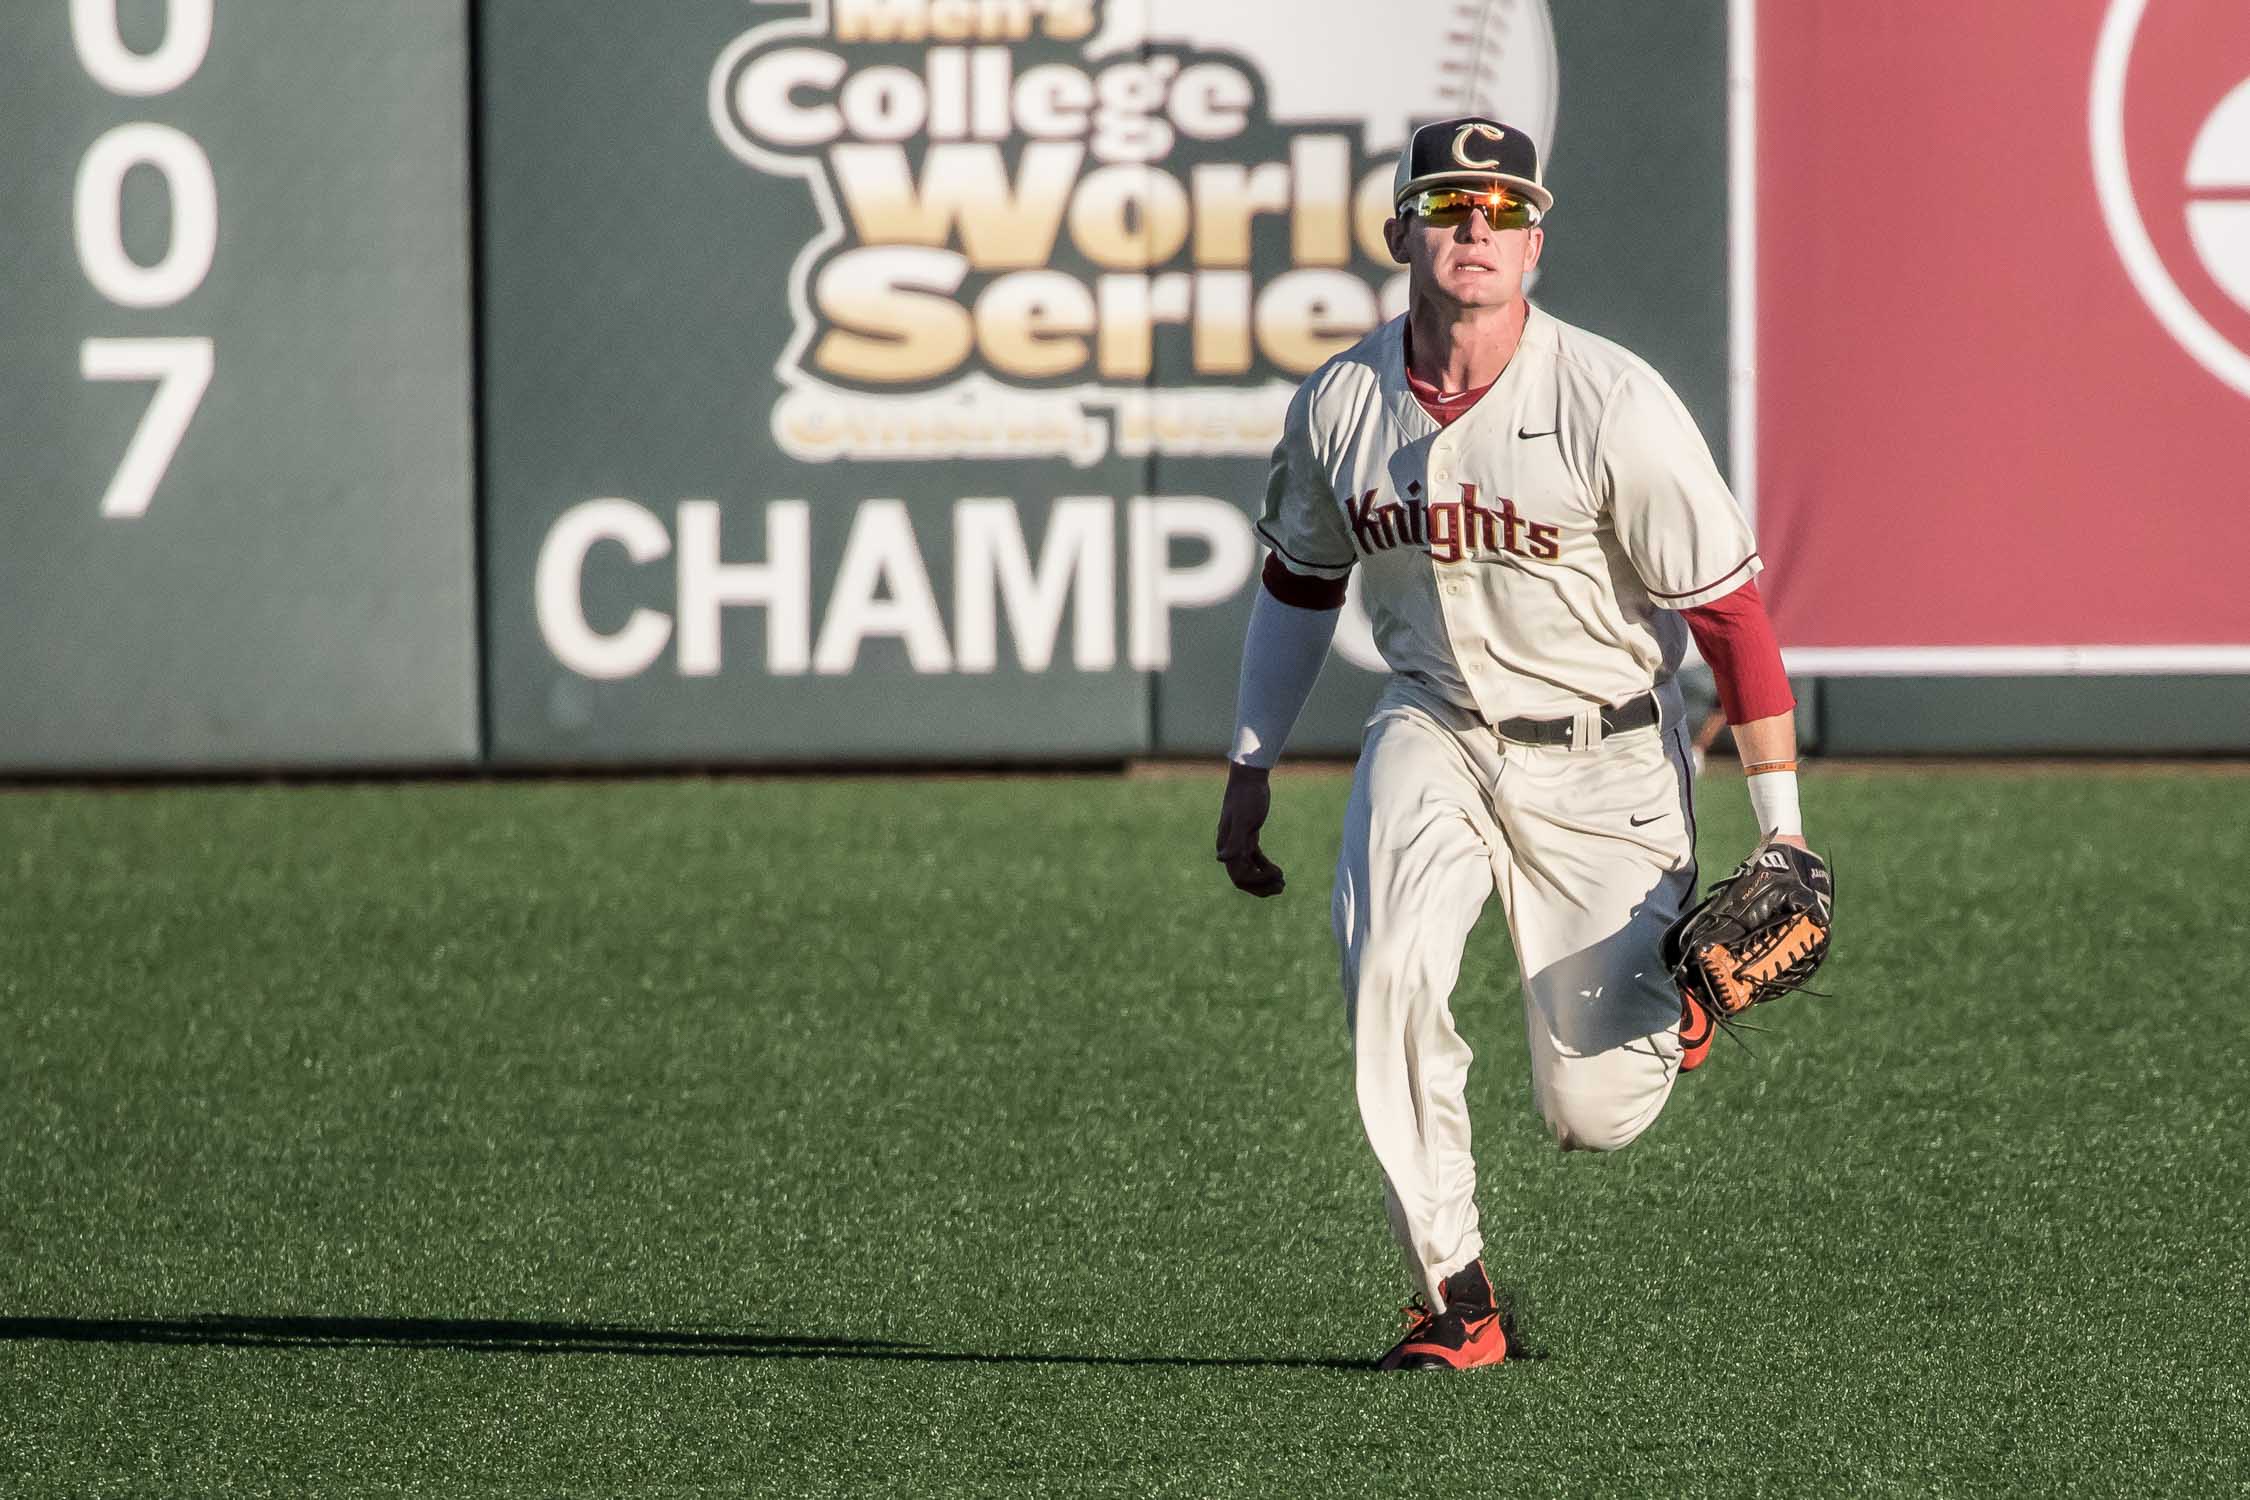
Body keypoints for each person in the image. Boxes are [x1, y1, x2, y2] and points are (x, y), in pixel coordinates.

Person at [1214, 117, 1814, 1372]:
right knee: (1387, 972)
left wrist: (1783, 834)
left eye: (1499, 204)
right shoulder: (1340, 401)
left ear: (1536, 238)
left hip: (1605, 753)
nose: (1473, 224)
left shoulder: (1613, 401)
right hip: (1432, 721)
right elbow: (1300, 579)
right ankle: (1455, 1298)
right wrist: (1251, 764)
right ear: (1400, 235)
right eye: (1445, 203)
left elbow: (1728, 612)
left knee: (1593, 1111)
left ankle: (1675, 1005)